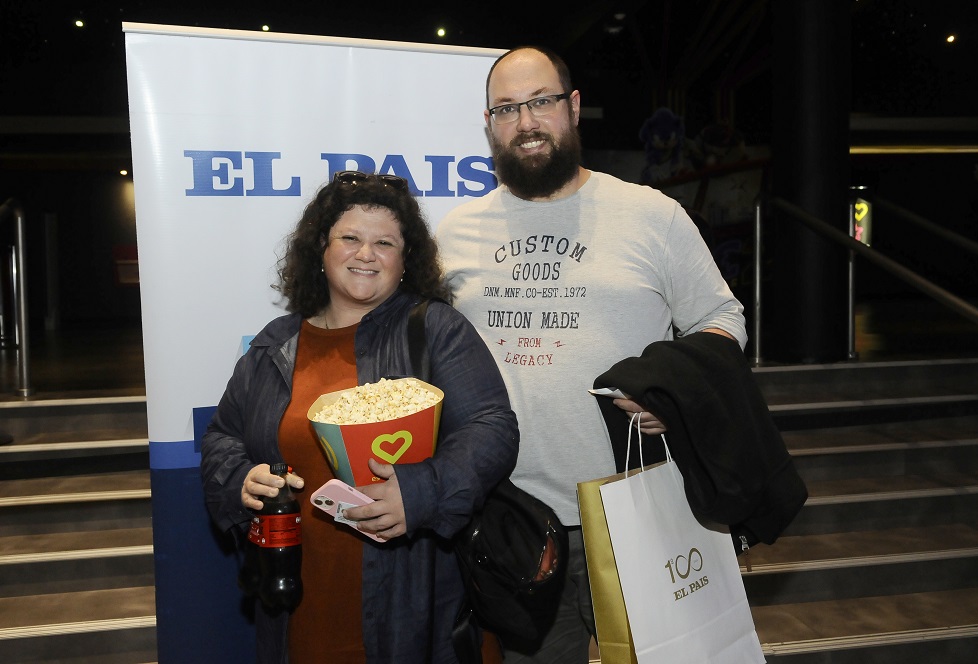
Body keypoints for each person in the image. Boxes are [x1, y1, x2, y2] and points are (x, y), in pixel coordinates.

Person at [436, 46, 747, 663]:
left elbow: (722, 318)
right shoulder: (453, 233)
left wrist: (678, 396)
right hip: (515, 525)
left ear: (573, 108)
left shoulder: (651, 215)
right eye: (507, 109)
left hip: (643, 514)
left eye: (541, 102)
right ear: (490, 124)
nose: (526, 122)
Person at [201, 171, 518, 664]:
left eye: (384, 242)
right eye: (350, 237)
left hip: (413, 603)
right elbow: (224, 436)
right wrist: (241, 478)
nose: (365, 254)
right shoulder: (275, 343)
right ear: (321, 250)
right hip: (298, 604)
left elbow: (492, 427)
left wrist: (419, 494)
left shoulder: (436, 330)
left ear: (405, 259)